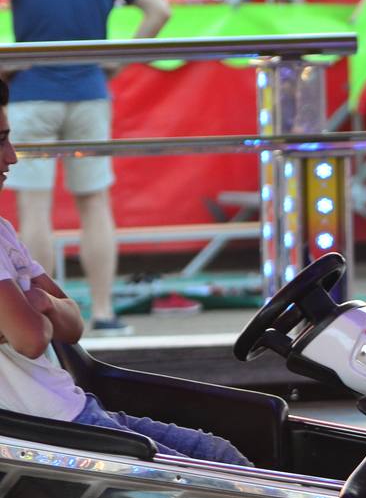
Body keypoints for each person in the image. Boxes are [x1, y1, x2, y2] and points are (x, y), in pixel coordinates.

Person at [0, 79, 248, 465]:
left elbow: (70, 324)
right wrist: (38, 314)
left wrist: (42, 304)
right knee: (229, 472)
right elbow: (32, 339)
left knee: (216, 451)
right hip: (53, 429)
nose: (12, 157)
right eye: (0, 141)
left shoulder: (3, 231)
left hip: (71, 408)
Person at [0, 0, 171, 337]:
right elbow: (159, 10)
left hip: (31, 93)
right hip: (89, 91)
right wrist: (116, 62)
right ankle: (105, 313)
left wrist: (7, 63)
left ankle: (39, 316)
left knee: (34, 206)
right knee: (95, 202)